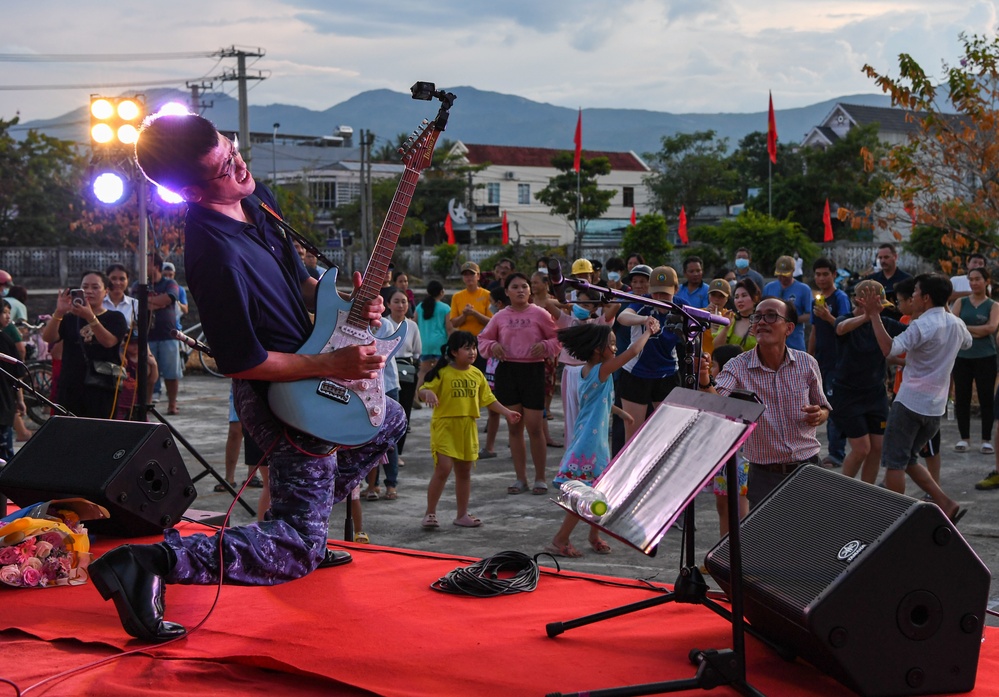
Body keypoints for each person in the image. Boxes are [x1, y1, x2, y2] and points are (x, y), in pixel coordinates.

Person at [89, 112, 405, 643]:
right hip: (279, 394)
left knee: (388, 419)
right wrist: (333, 365)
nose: (239, 166)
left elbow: (299, 282)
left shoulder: (255, 201)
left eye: (233, 150)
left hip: (315, 370)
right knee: (295, 553)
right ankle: (149, 564)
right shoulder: (212, 253)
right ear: (187, 190)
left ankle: (303, 518)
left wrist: (349, 303)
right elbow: (241, 360)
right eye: (223, 166)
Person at [858, 273, 970, 522]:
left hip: (910, 402)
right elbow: (968, 343)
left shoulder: (922, 325)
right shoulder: (956, 324)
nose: (913, 296)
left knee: (894, 462)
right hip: (934, 407)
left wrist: (875, 315)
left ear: (926, 298)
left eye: (916, 293)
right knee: (908, 458)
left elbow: (890, 349)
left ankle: (896, 516)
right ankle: (946, 503)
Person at [699, 297, 830, 506]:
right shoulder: (737, 366)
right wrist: (704, 379)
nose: (761, 322)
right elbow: (716, 404)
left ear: (789, 328)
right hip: (764, 475)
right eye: (757, 317)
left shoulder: (807, 363)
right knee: (770, 537)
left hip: (809, 467)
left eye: (771, 316)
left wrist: (819, 414)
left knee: (812, 535)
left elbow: (823, 407)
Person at [546, 320, 658, 558]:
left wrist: (621, 413)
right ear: (598, 349)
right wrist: (648, 331)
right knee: (586, 494)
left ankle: (594, 534)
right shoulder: (602, 370)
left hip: (589, 440)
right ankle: (561, 538)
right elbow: (634, 351)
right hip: (590, 444)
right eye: (612, 344)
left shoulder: (587, 372)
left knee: (598, 492)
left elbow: (596, 402)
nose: (616, 348)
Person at [418, 331, 520, 529]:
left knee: (464, 472)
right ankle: (430, 513)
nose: (472, 352)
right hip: (445, 426)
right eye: (467, 348)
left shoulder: (476, 374)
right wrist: (427, 393)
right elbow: (423, 390)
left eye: (474, 347)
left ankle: (462, 514)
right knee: (443, 468)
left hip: (468, 427)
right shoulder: (443, 372)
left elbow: (488, 399)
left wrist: (507, 412)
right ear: (454, 351)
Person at [478, 272, 561, 496]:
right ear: (507, 292)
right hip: (508, 372)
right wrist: (493, 346)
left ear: (530, 290)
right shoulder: (500, 317)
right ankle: (520, 478)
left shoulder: (540, 314)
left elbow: (558, 339)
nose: (521, 290)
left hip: (533, 371)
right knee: (514, 427)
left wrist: (545, 345)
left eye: (524, 286)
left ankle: (540, 478)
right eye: (515, 287)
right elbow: (483, 340)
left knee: (534, 427)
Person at [831, 281, 906, 484]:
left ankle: (866, 492)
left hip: (875, 394)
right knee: (861, 448)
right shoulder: (845, 319)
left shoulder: (884, 323)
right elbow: (840, 329)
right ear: (860, 301)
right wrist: (866, 316)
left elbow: (912, 333)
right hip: (848, 394)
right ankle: (842, 490)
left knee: (878, 447)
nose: (880, 310)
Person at [41, 271, 128, 420]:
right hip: (71, 384)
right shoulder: (69, 318)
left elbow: (108, 342)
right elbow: (49, 337)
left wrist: (90, 317)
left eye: (95, 287)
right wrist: (59, 312)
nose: (89, 291)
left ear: (106, 291)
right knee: (70, 432)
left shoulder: (115, 318)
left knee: (99, 432)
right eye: (85, 287)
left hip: (102, 386)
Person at [615, 266, 684, 443]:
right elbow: (623, 317)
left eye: (665, 294)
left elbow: (698, 324)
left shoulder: (681, 305)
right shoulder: (642, 302)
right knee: (633, 435)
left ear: (675, 290)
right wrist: (644, 319)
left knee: (668, 434)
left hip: (667, 373)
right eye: (656, 293)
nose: (660, 298)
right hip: (636, 373)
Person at [807, 257, 851, 468]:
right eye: (818, 274)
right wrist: (809, 355)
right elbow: (814, 329)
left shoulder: (840, 298)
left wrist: (828, 316)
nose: (822, 278)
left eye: (826, 274)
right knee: (816, 404)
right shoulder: (816, 299)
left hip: (838, 360)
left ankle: (836, 453)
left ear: (834, 275)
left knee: (832, 406)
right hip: (821, 360)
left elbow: (845, 327)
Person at [949, 266, 998, 453]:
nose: (974, 282)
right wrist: (978, 329)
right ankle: (964, 438)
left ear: (986, 281)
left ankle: (986, 439)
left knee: (986, 398)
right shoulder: (961, 302)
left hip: (986, 356)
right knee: (962, 397)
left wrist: (966, 328)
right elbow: (954, 325)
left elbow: (991, 328)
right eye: (971, 279)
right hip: (962, 356)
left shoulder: (993, 305)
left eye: (978, 279)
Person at [708, 343, 748, 537]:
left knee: (739, 511)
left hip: (741, 461)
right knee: (723, 508)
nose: (710, 370)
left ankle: (741, 557)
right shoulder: (715, 391)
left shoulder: (743, 396)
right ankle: (723, 556)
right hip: (723, 461)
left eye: (714, 365)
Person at [136, 254, 182, 414]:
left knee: (171, 373)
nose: (141, 266)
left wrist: (148, 302)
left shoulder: (170, 283)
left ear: (155, 266)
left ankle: (172, 404)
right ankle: (146, 403)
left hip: (168, 335)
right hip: (146, 336)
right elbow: (136, 301)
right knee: (147, 373)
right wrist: (156, 303)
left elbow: (169, 299)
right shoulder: (139, 284)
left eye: (146, 263)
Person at [449, 261, 492, 372]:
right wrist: (464, 315)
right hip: (463, 341)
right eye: (465, 275)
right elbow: (454, 322)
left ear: (478, 276)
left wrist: (475, 314)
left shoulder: (487, 295)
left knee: (480, 371)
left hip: (481, 340)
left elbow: (491, 321)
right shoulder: (457, 297)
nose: (468, 278)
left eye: (471, 274)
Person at [762, 255, 812, 351]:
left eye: (785, 275)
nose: (782, 278)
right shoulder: (769, 287)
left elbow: (809, 315)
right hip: (771, 343)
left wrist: (789, 319)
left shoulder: (804, 289)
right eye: (779, 275)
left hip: (795, 342)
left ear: (793, 271)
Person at [415, 280, 452, 393]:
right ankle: (438, 393)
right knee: (439, 370)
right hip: (439, 343)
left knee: (423, 371)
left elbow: (414, 323)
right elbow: (449, 328)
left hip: (424, 343)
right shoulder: (445, 308)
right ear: (441, 292)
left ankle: (415, 394)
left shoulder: (420, 306)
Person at [0, 301, 26, 460]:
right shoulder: (5, 338)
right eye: (4, 312)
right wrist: (20, 400)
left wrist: (20, 400)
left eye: (9, 312)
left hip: (4, 404)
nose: (8, 316)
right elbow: (19, 374)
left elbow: (17, 374)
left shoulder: (5, 338)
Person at [714, 278, 759, 351]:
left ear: (755, 298)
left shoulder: (762, 321)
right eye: (736, 297)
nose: (740, 300)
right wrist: (726, 328)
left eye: (744, 296)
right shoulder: (729, 318)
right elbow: (717, 347)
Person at [866, 243, 912, 310]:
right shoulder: (872, 280)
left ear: (895, 257)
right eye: (880, 258)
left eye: (886, 257)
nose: (883, 261)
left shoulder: (906, 279)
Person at [104, 263, 137, 329]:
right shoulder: (99, 303)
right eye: (113, 278)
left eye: (122, 279)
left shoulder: (135, 304)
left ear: (128, 280)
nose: (117, 283)